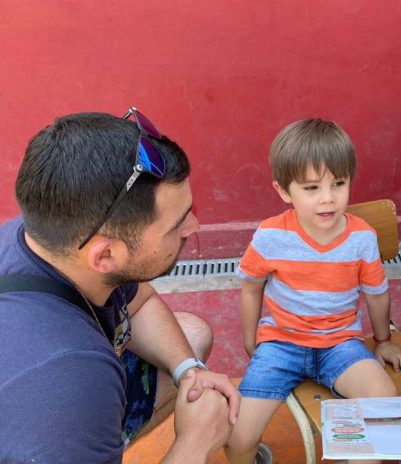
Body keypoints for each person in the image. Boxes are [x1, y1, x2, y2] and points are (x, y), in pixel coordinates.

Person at [0, 110, 241, 463]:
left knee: (192, 336)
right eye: (176, 225)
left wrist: (188, 370)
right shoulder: (68, 379)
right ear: (106, 255)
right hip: (56, 411)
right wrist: (195, 443)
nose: (194, 226)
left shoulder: (50, 235)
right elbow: (66, 386)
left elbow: (139, 303)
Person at [226, 118, 401, 464]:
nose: (328, 199)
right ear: (284, 191)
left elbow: (376, 294)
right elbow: (250, 288)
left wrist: (383, 340)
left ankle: (353, 456)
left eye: (338, 184)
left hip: (340, 345)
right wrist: (251, 339)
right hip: (281, 344)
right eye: (311, 188)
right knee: (239, 437)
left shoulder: (361, 238)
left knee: (382, 398)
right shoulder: (270, 237)